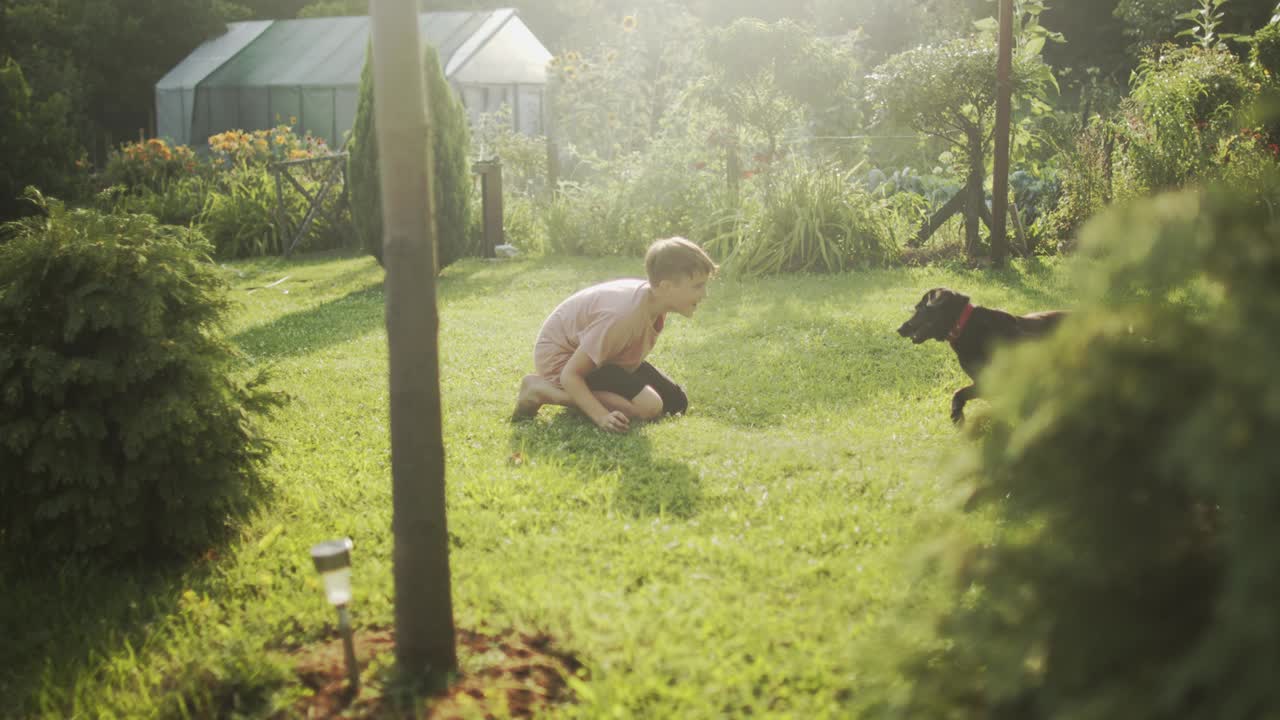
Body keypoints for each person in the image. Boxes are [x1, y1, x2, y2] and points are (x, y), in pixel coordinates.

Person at [512, 236, 718, 432]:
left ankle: (595, 395)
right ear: (666, 287)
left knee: (676, 403)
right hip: (563, 361)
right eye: (698, 286)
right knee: (649, 407)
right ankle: (540, 390)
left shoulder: (655, 302)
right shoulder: (623, 316)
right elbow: (570, 375)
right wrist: (601, 416)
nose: (705, 294)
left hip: (605, 360)